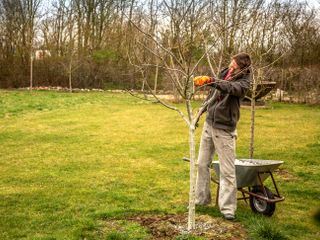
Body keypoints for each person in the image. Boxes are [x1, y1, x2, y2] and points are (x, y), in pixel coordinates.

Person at [195, 52, 252, 220]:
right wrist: (201, 111)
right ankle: (201, 200)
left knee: (227, 172)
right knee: (201, 164)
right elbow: (212, 94)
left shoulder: (244, 82)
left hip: (224, 129)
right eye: (231, 62)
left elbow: (231, 88)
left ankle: (227, 209)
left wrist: (212, 81)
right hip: (209, 124)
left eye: (235, 65)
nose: (231, 66)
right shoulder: (225, 72)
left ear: (243, 67)